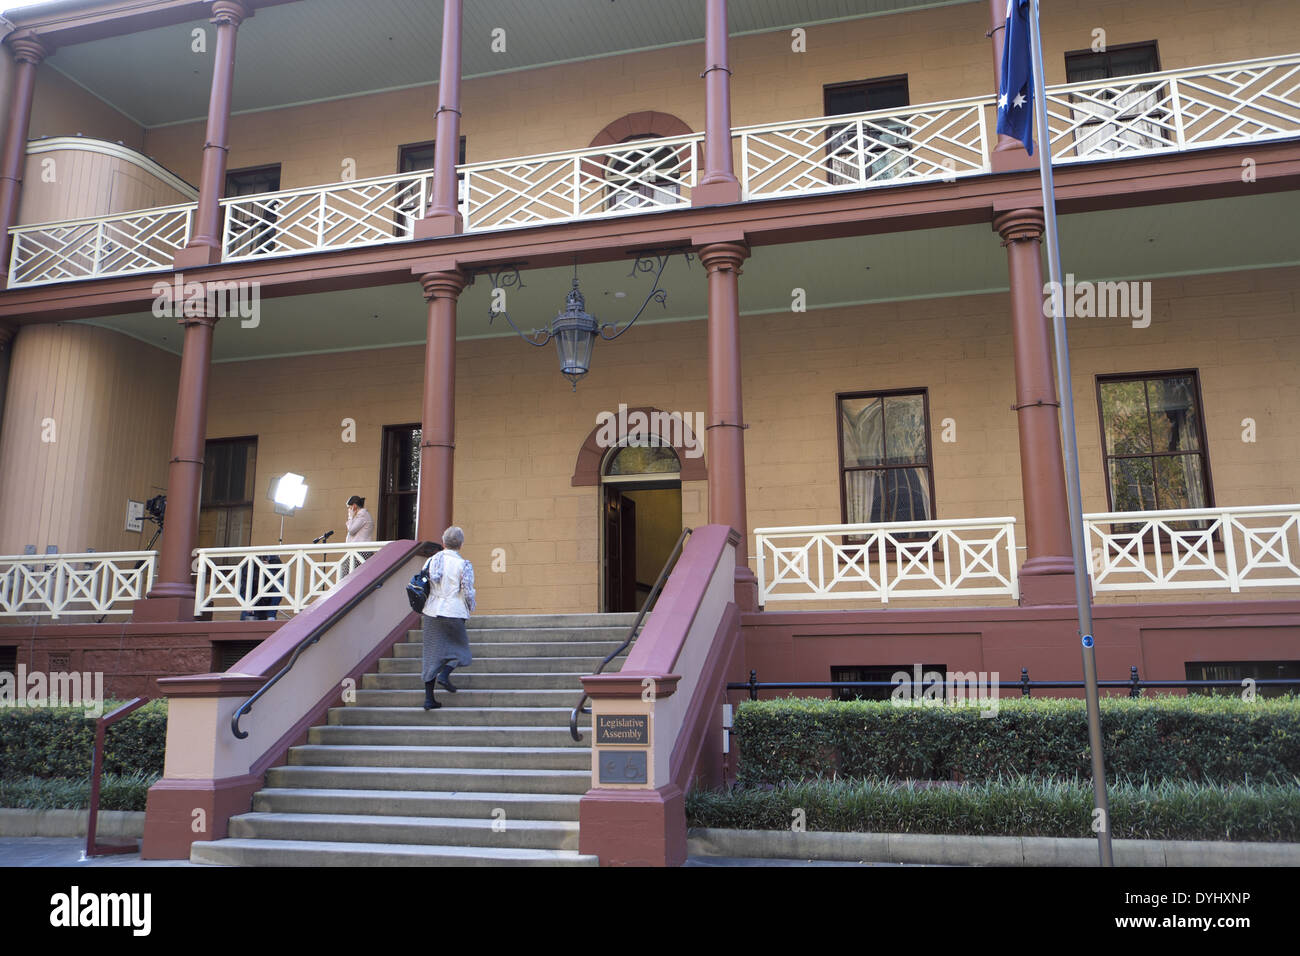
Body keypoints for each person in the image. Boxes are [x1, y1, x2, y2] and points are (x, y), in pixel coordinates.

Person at [419, 526, 476, 711]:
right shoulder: (463, 564)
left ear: (443, 542)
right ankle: (444, 675)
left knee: (431, 654)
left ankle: (429, 699)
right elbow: (468, 591)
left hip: (431, 611)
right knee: (461, 651)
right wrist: (470, 607)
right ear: (460, 544)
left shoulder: (431, 561)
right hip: (454, 611)